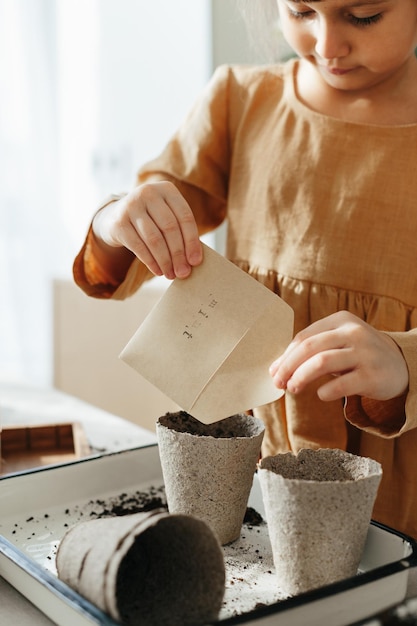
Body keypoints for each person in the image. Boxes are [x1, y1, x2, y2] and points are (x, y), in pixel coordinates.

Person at [73, 0, 417, 539]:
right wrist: (118, 218)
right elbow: (142, 232)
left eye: (364, 16)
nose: (327, 45)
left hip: (398, 482)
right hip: (247, 461)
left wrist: (405, 361)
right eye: (300, 11)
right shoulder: (241, 99)